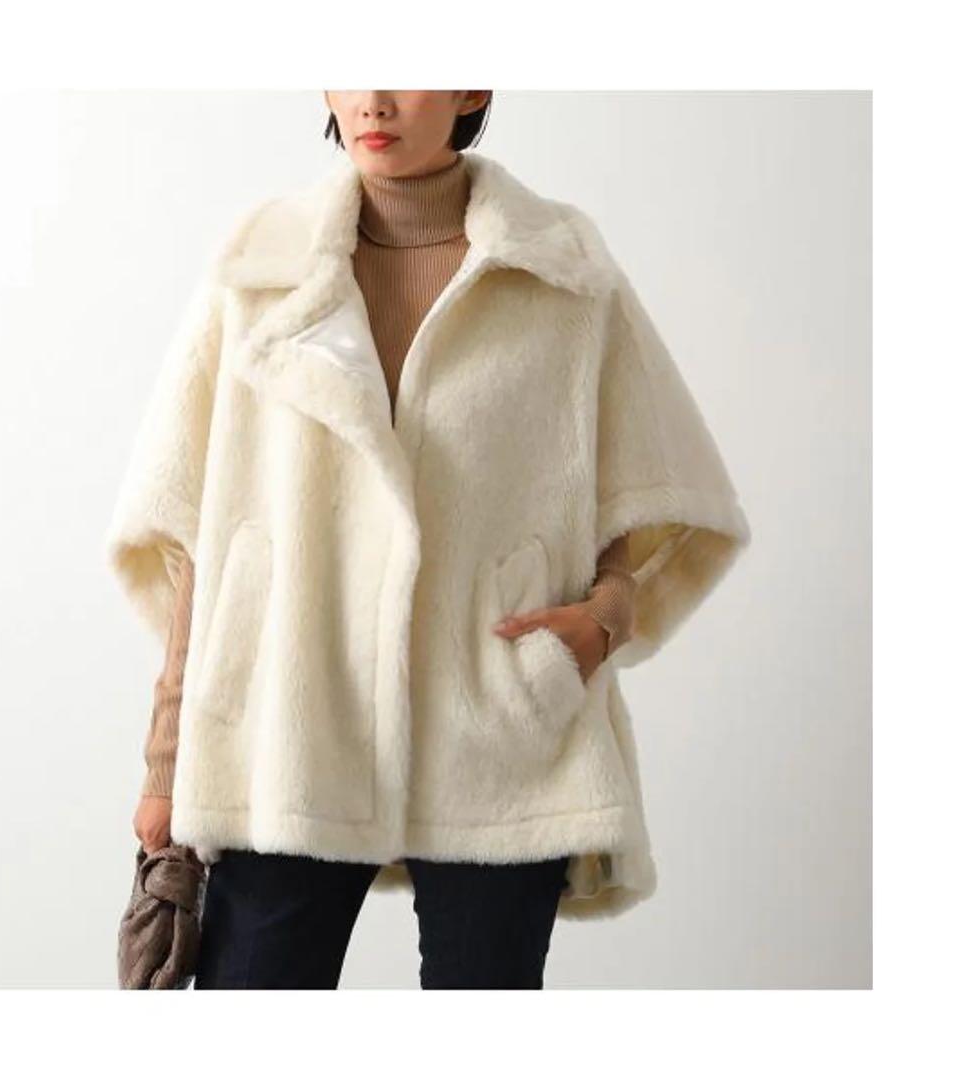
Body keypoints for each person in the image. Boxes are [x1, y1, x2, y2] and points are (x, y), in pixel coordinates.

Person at [107, 90, 751, 989]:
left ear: (472, 86)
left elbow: (636, 492)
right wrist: (166, 763)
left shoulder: (560, 268)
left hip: (496, 727)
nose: (373, 99)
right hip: (289, 725)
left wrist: (599, 623)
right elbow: (196, 537)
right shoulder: (261, 267)